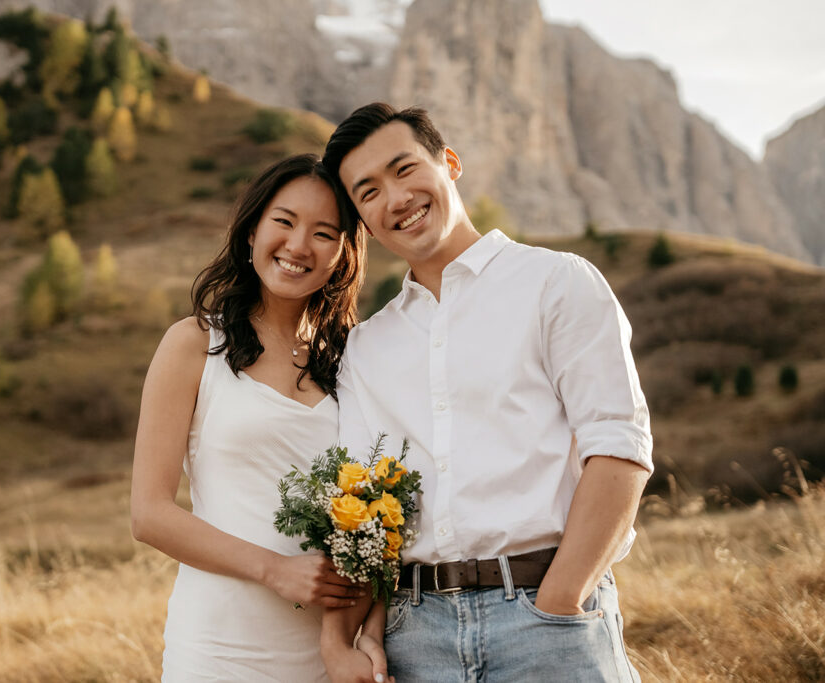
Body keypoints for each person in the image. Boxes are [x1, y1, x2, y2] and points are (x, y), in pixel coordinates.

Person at [318, 104, 653, 682]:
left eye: (404, 170)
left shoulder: (557, 282)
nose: (395, 199)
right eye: (367, 192)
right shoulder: (368, 347)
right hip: (414, 637)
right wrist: (368, 630)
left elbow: (619, 448)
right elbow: (369, 512)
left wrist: (560, 602)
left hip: (546, 619)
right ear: (363, 222)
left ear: (449, 163)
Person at [130, 153, 368, 681]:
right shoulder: (194, 344)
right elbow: (149, 515)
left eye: (325, 232)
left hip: (330, 655)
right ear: (251, 231)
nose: (299, 245)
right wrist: (274, 570)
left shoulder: (357, 362)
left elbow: (383, 518)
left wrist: (357, 638)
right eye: (284, 221)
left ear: (344, 254)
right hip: (219, 649)